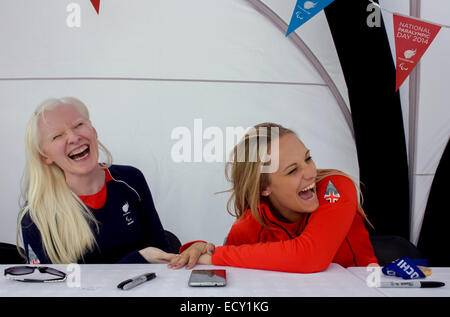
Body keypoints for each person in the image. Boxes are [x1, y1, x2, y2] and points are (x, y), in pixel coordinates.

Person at [169, 123, 378, 273]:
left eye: (308, 158)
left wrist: (216, 255)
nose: (310, 172)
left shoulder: (335, 186)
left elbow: (311, 256)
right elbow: (226, 258)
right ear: (264, 188)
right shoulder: (250, 225)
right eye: (292, 170)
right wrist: (202, 247)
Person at [17, 97, 176, 264]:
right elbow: (53, 287)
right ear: (45, 157)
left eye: (78, 125)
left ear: (93, 130)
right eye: (57, 136)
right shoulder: (35, 214)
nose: (73, 137)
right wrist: (138, 260)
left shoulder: (131, 179)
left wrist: (196, 252)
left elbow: (164, 258)